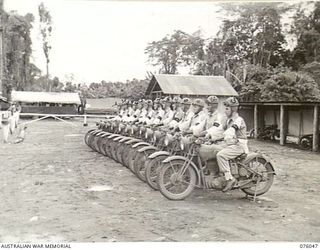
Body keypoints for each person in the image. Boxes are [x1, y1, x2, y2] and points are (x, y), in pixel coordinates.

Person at [216, 97, 248, 192]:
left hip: (239, 145)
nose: (225, 111)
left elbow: (232, 130)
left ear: (233, 110)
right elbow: (219, 130)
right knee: (214, 149)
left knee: (221, 155)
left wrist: (227, 134)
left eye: (227, 109)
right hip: (231, 144)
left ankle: (230, 179)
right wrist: (208, 135)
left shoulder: (238, 120)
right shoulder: (227, 120)